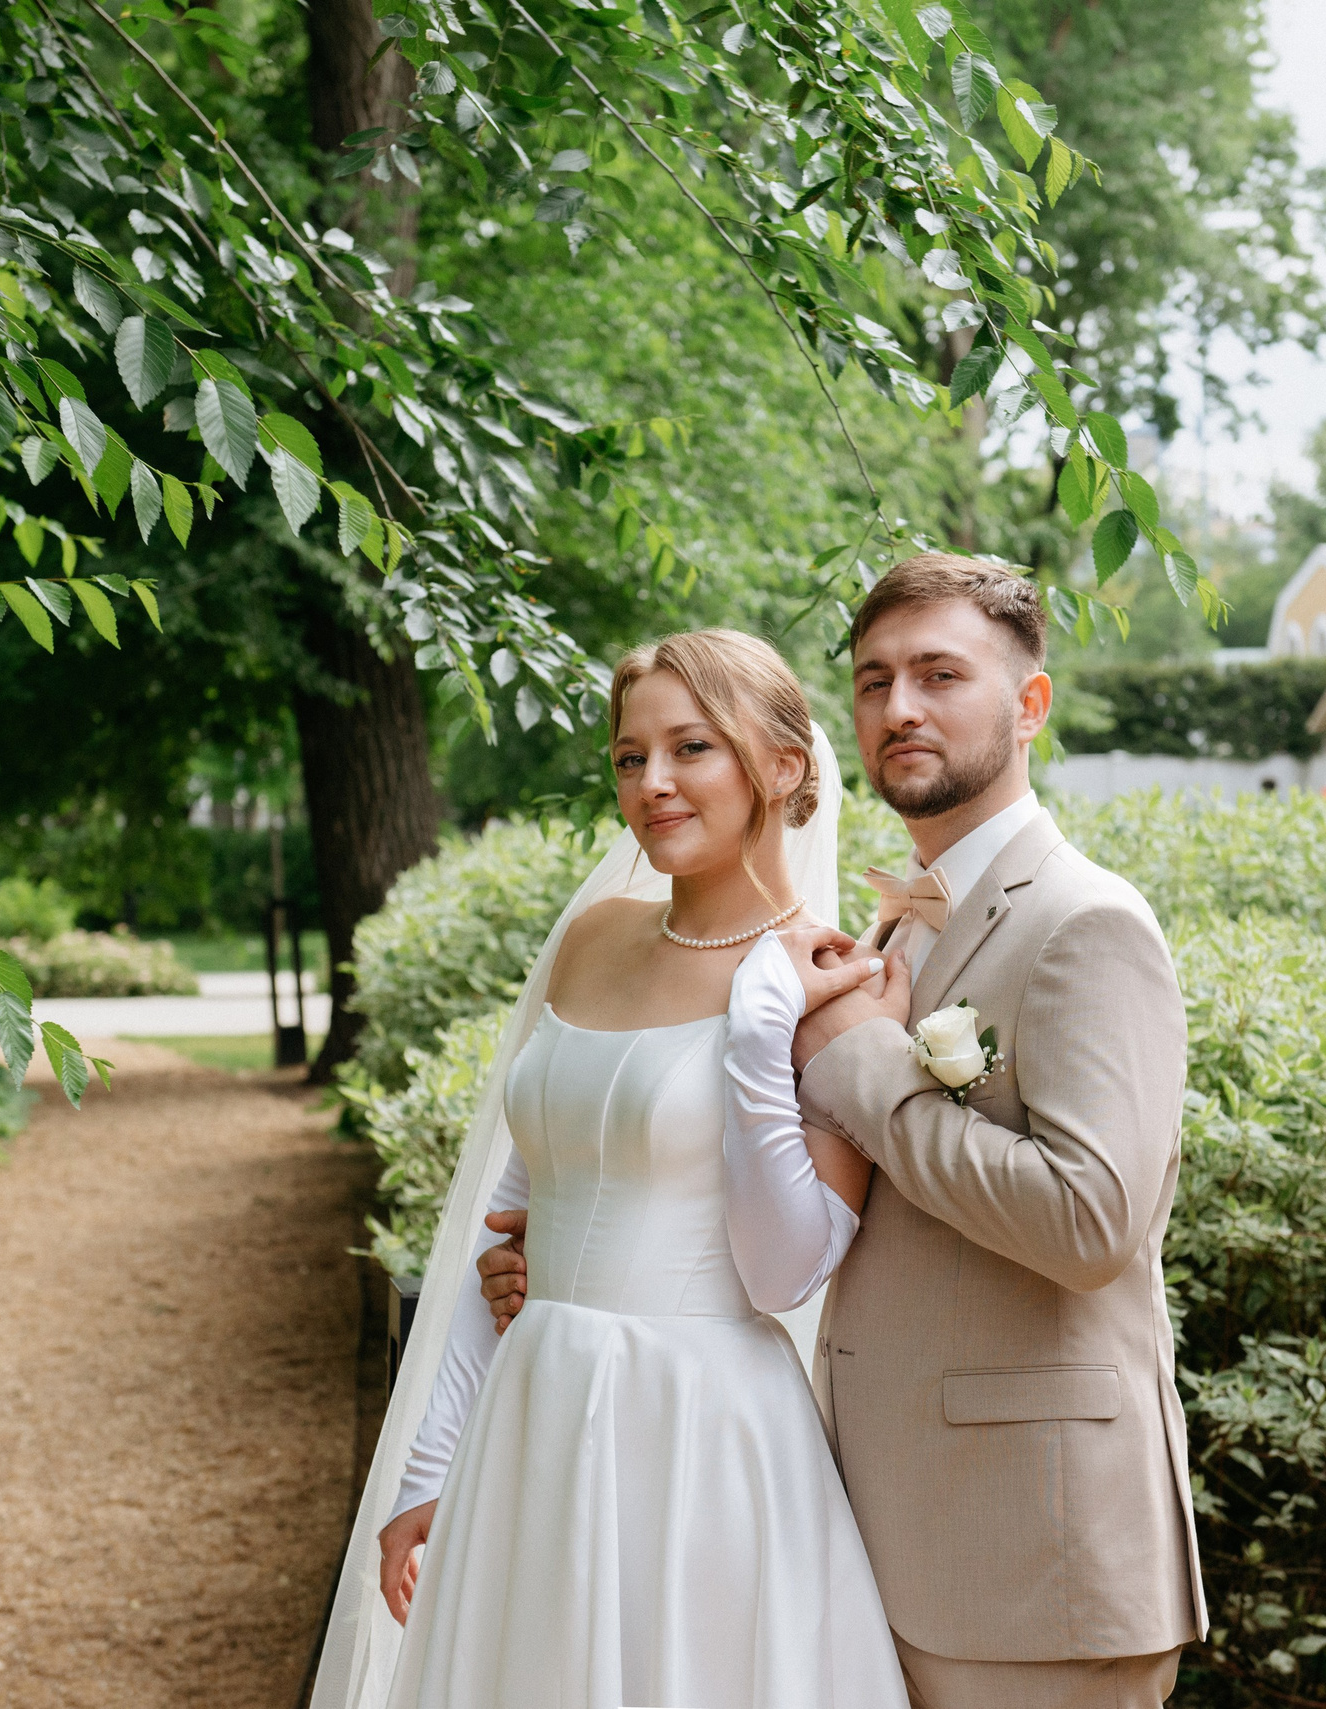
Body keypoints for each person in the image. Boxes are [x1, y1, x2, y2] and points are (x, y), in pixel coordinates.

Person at [483, 555, 1208, 1709]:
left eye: (939, 674)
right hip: (872, 1530)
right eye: (874, 680)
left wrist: (865, 1065)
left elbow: (1090, 1222)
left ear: (1029, 704)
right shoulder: (886, 930)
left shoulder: (1086, 921)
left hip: (1035, 1557)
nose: (899, 706)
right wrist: (581, 1260)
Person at [309, 628, 913, 1709]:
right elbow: (511, 1215)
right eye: (631, 757)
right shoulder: (592, 938)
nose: (653, 782)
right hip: (534, 1409)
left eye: (692, 747)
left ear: (782, 765)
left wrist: (757, 1027)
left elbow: (788, 1271)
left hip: (698, 1432)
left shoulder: (834, 982)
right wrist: (429, 1464)